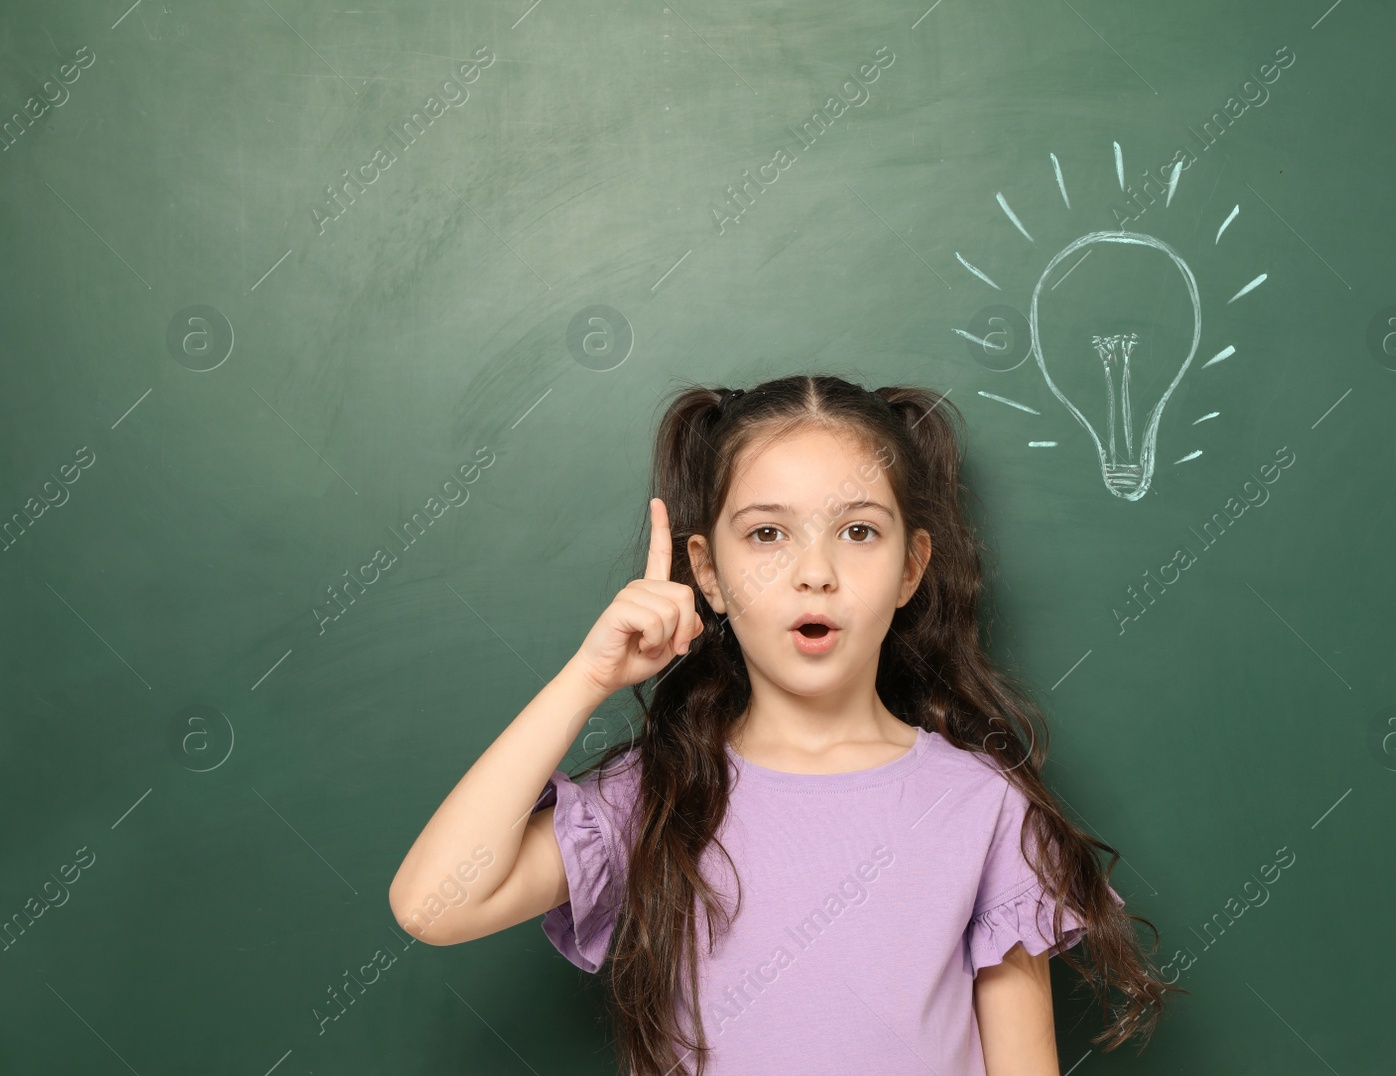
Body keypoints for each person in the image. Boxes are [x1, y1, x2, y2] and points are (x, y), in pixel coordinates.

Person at [389, 373, 1178, 1075]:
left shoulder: (982, 807)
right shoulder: (658, 797)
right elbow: (432, 905)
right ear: (709, 574)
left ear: (912, 568)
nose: (814, 572)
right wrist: (585, 680)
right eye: (768, 533)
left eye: (858, 531)